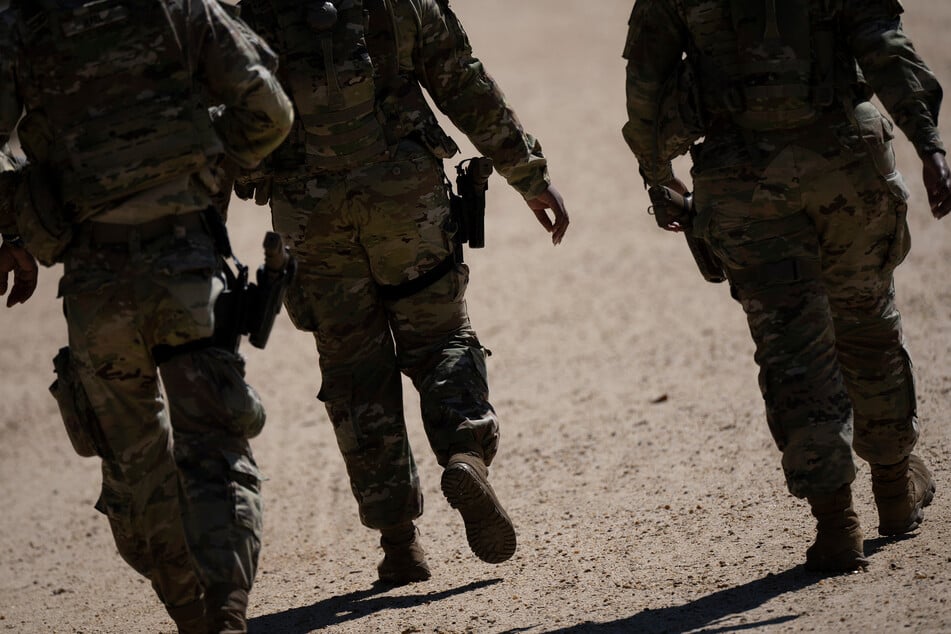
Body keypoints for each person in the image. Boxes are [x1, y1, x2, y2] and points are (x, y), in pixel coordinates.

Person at [235, 0, 569, 584]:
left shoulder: (252, 11)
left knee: (353, 370)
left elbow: (221, 118)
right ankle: (466, 452)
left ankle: (399, 544)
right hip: (404, 197)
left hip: (309, 214)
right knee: (441, 337)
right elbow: (461, 81)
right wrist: (528, 174)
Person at [622, 0, 949, 573]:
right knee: (868, 320)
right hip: (846, 160)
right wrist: (930, 145)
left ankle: (835, 522)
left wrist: (656, 177)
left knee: (792, 347)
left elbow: (646, 77)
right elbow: (883, 45)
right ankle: (895, 490)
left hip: (742, 178)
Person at [0, 1, 293, 631]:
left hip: (94, 281)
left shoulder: (19, 20)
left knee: (134, 467)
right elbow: (269, 109)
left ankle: (189, 611)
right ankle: (226, 606)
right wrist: (216, 166)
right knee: (214, 442)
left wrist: (19, 227)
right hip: (186, 261)